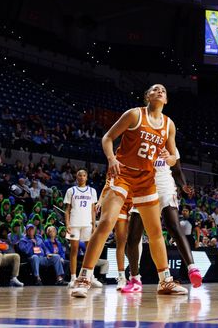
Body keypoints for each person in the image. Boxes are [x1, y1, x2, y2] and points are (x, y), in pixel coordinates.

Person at [70, 84, 188, 297]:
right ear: (147, 96)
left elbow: (173, 157)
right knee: (106, 223)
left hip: (146, 179)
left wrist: (168, 158)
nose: (160, 91)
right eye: (155, 89)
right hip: (123, 175)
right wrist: (111, 159)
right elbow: (107, 138)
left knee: (155, 232)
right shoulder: (134, 115)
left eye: (163, 90)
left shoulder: (169, 125)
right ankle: (84, 278)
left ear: (167, 100)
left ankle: (165, 281)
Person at [123, 140, 201, 293]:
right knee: (133, 236)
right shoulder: (141, 140)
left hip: (165, 187)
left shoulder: (170, 144)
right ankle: (134, 279)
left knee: (174, 226)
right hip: (144, 187)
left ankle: (192, 268)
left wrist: (183, 185)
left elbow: (177, 170)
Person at [63, 169, 98, 286]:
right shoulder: (70, 190)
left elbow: (93, 210)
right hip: (74, 224)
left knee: (90, 252)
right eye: (79, 175)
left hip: (87, 224)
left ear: (86, 177)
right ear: (76, 177)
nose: (82, 177)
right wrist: (67, 224)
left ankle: (90, 276)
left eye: (84, 175)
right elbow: (67, 210)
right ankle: (73, 278)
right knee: (74, 250)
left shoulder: (92, 191)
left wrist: (94, 225)